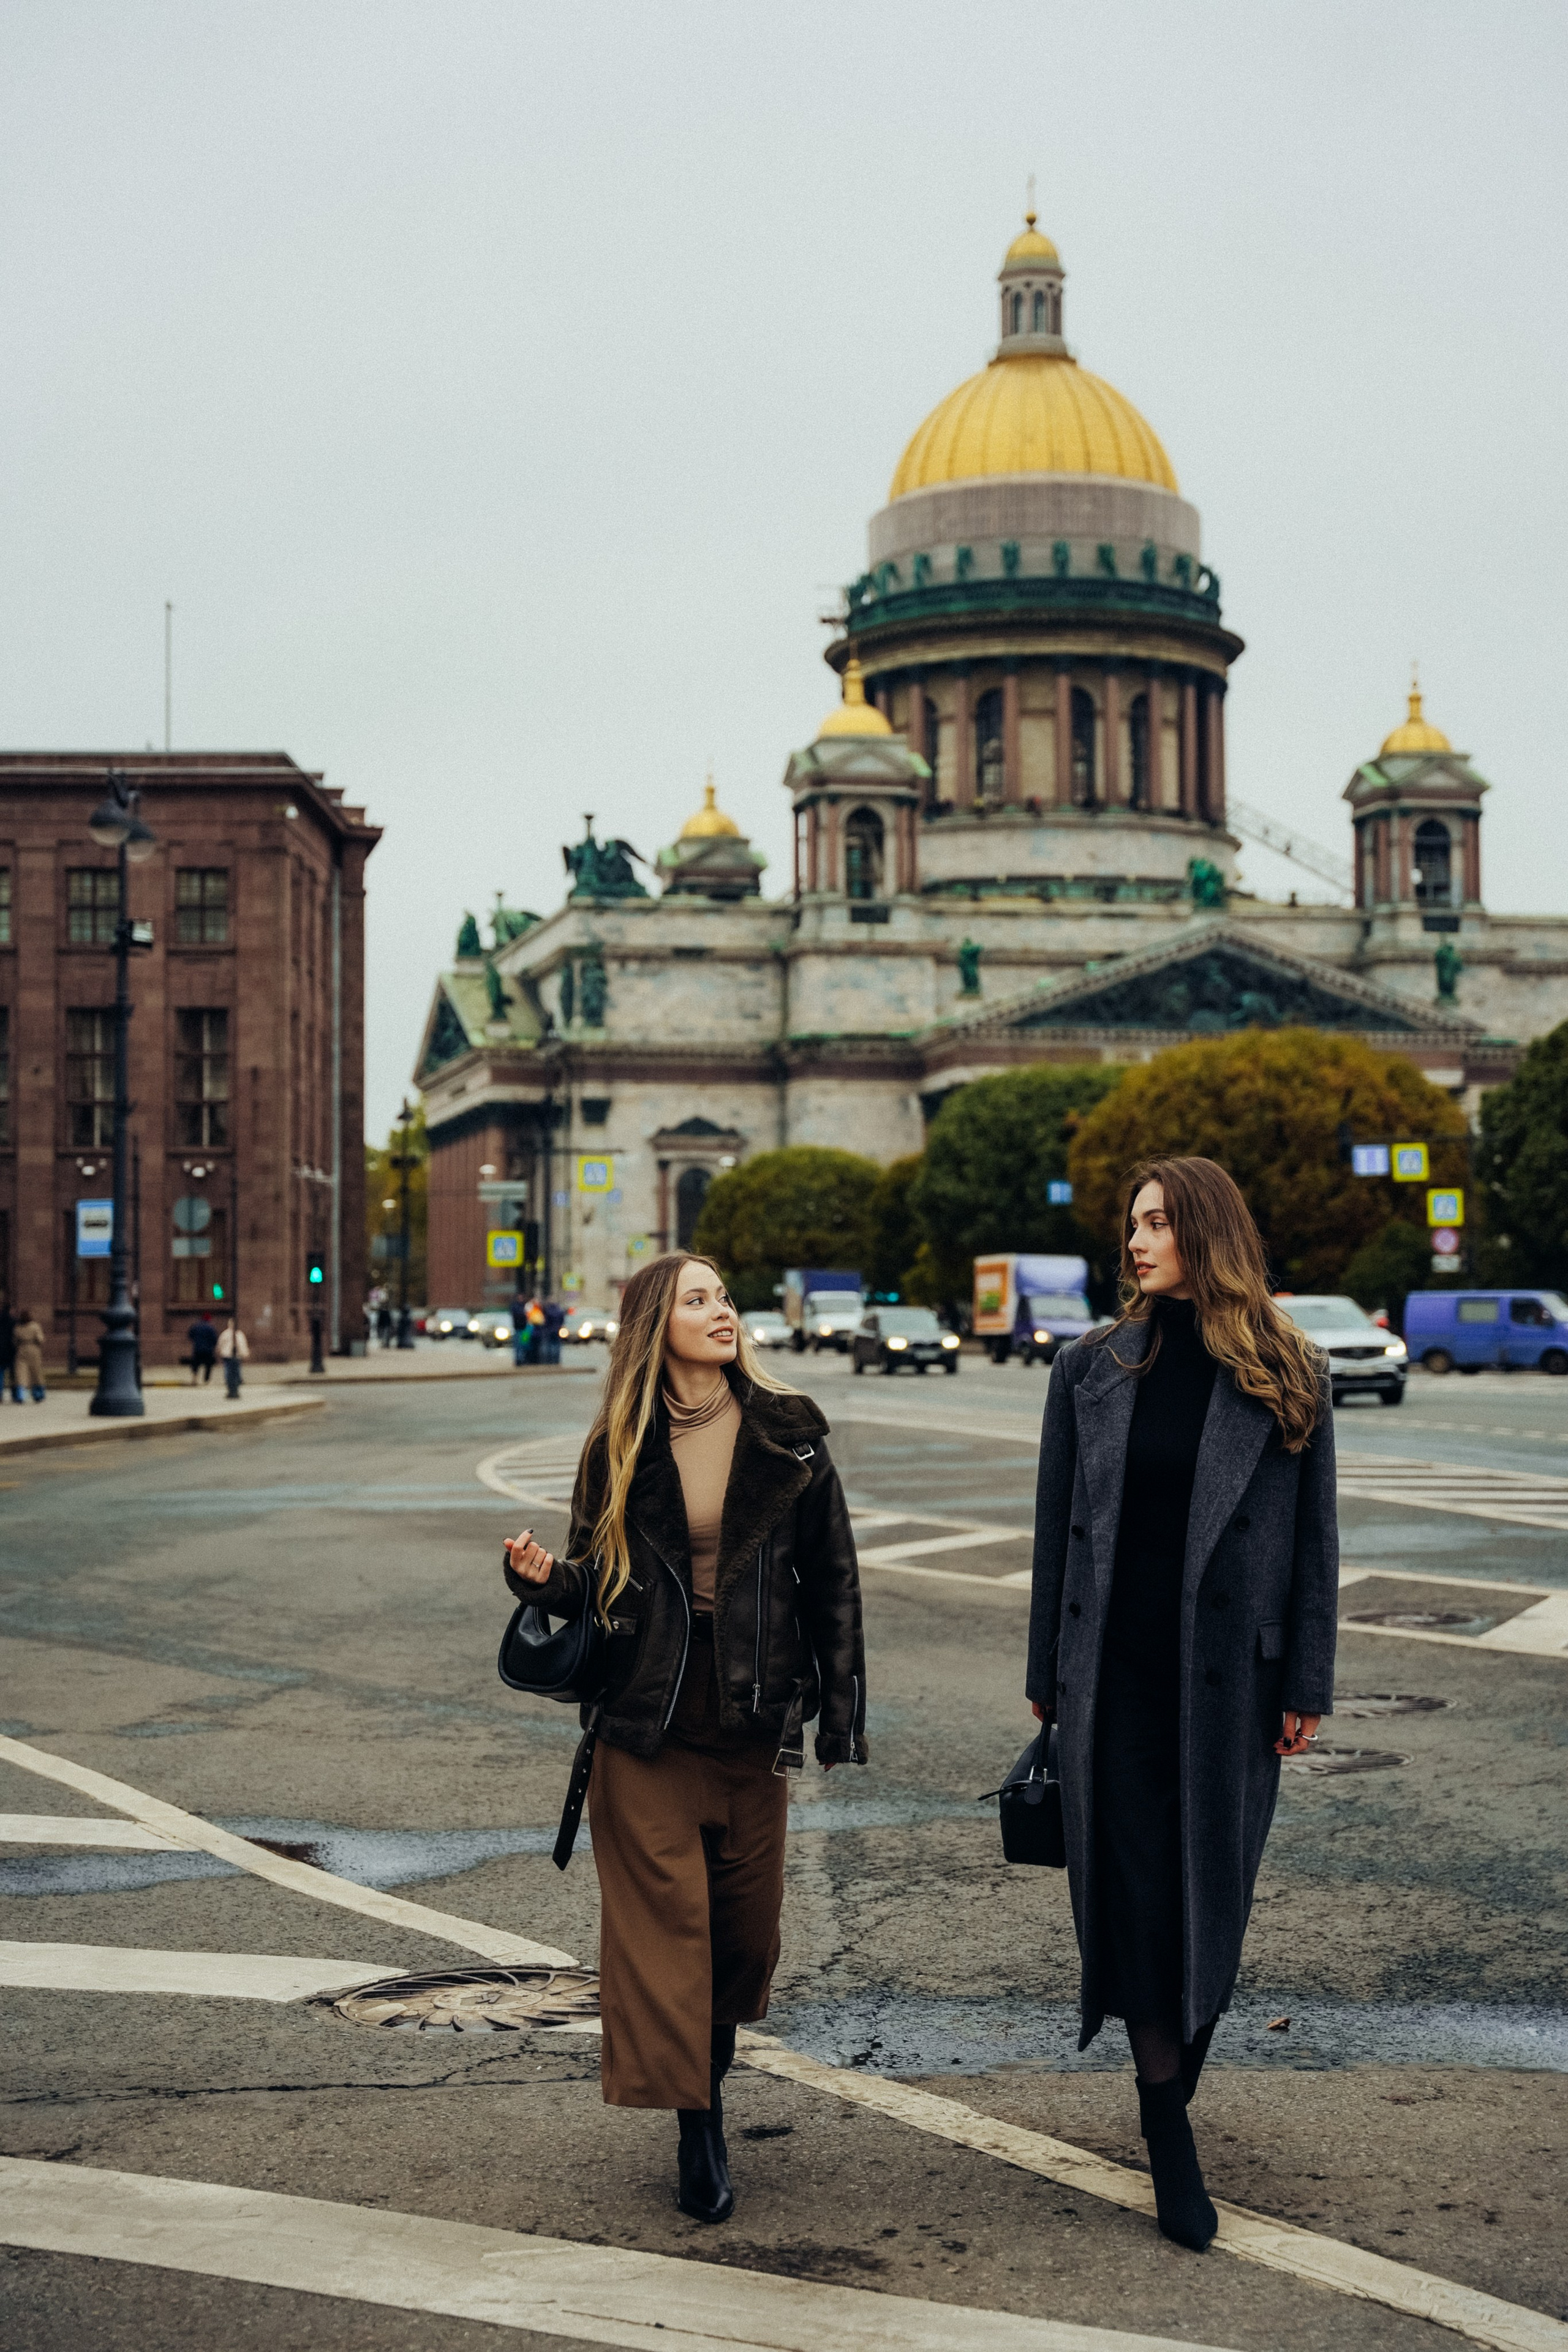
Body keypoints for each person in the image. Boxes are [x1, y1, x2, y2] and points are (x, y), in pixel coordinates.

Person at [504, 1253, 867, 2225]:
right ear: (655, 1327)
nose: (721, 1312)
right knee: (668, 1939)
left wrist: (841, 1713)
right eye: (696, 1300)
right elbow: (596, 1580)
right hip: (647, 1723)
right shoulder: (619, 1447)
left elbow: (834, 1582)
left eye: (724, 1298)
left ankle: (709, 2067)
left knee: (744, 1941)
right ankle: (697, 2124)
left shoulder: (790, 1436)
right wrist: (544, 1582)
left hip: (751, 1723)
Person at [1027, 1157, 1336, 2253]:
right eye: (1133, 1224)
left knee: (1212, 1899)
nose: (1137, 1240)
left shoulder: (1288, 1369)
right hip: (1113, 1680)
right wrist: (1045, 1674)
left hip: (1229, 1685)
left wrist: (1306, 1681)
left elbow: (1314, 1541)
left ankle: (1174, 2071)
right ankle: (1169, 2133)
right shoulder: (1090, 1366)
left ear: (1206, 1231)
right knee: (1142, 1904)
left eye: (1157, 1222)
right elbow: (1056, 1528)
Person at [12, 1308, 47, 1403]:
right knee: (36, 1373)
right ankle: (38, 1394)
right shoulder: (35, 1326)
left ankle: (21, 1395)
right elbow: (40, 1339)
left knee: (21, 1374)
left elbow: (15, 1341)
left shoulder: (18, 1327)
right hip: (34, 1350)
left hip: (22, 1350)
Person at [216, 1317, 249, 1399]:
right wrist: (245, 1353)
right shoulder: (238, 1334)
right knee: (234, 1372)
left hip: (230, 1355)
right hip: (231, 1355)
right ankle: (234, 1388)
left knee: (230, 1371)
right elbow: (242, 1345)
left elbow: (220, 1344)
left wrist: (219, 1351)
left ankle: (233, 1389)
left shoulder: (228, 1334)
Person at [187, 1313, 218, 1385]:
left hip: (198, 1348)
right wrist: (213, 1345)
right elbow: (214, 1338)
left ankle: (195, 1378)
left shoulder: (196, 1326)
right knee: (208, 1365)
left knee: (196, 1363)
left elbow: (190, 1335)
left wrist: (196, 1341)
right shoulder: (210, 1328)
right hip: (208, 1349)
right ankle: (206, 1380)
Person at [509, 1287, 532, 1368]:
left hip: (525, 1329)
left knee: (524, 1345)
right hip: (518, 1328)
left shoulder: (526, 1305)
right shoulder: (516, 1306)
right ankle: (519, 1360)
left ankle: (523, 1360)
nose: (521, 1298)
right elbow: (517, 1315)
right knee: (518, 1346)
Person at [0, 1299, 16, 1403]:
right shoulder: (13, 1322)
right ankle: (15, 1395)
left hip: (1, 1351)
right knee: (13, 1375)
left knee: (0, 1374)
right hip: (11, 1351)